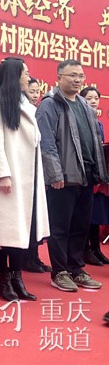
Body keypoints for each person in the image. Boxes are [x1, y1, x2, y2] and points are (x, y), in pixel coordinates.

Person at [36, 59, 108, 292]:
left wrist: (99, 171)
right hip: (64, 175)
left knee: (80, 225)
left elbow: (93, 140)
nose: (78, 80)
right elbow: (46, 143)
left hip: (86, 173)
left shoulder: (84, 105)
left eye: (81, 76)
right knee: (60, 226)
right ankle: (59, 272)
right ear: (59, 77)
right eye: (72, 75)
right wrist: (54, 174)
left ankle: (76, 268)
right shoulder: (50, 104)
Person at [0, 58, 50, 301]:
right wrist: (3, 174)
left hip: (27, 178)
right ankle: (3, 280)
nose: (29, 77)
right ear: (14, 75)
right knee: (4, 232)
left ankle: (17, 278)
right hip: (8, 178)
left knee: (22, 230)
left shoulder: (26, 104)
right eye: (25, 73)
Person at [22, 76, 52, 273]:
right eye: (31, 91)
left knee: (38, 217)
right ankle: (27, 258)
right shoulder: (22, 109)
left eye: (37, 91)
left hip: (39, 168)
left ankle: (34, 256)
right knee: (29, 217)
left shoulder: (38, 110)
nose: (35, 95)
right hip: (27, 169)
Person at [79, 86, 109, 266]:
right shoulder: (80, 121)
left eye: (96, 98)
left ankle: (95, 248)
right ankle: (84, 250)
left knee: (95, 214)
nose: (93, 101)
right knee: (85, 215)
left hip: (97, 175)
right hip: (83, 172)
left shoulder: (99, 124)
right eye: (89, 98)